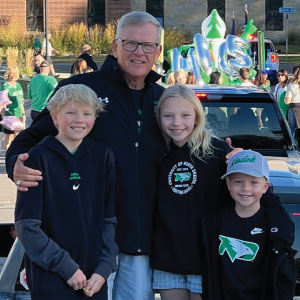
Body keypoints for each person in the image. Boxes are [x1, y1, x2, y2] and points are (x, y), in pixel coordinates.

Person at [6, 11, 239, 300]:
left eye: (147, 46)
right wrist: (16, 162)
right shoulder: (81, 90)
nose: (139, 52)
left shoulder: (162, 99)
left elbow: (195, 142)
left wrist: (233, 156)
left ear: (157, 52)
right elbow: (31, 138)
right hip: (86, 242)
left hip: (138, 243)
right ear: (115, 46)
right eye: (130, 43)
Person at [14, 84, 118, 300]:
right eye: (70, 112)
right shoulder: (37, 158)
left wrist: (105, 267)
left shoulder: (103, 156)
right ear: (54, 117)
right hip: (50, 279)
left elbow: (109, 220)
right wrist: (66, 267)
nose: (79, 119)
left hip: (94, 280)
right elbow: (27, 227)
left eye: (87, 113)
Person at [151, 85, 232, 300]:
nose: (177, 123)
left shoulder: (217, 151)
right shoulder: (155, 153)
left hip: (206, 256)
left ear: (197, 116)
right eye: (168, 116)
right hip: (167, 256)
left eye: (185, 115)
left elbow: (246, 192)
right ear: (159, 117)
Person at [202, 150, 296, 300]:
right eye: (238, 181)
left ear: (265, 187)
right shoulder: (215, 223)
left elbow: (284, 276)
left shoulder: (275, 226)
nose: (245, 188)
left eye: (253, 182)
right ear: (228, 184)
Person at [0, 67, 25, 151]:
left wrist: (23, 114)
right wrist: (3, 118)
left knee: (17, 137)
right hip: (9, 115)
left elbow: (21, 101)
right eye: (12, 73)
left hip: (18, 114)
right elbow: (2, 103)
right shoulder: (5, 86)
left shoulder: (18, 85)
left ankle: (15, 154)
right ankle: (7, 154)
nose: (14, 75)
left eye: (15, 73)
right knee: (8, 137)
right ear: (8, 74)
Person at [284, 65, 300, 134]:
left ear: (294, 74)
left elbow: (287, 101)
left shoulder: (292, 85)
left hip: (294, 110)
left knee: (293, 131)